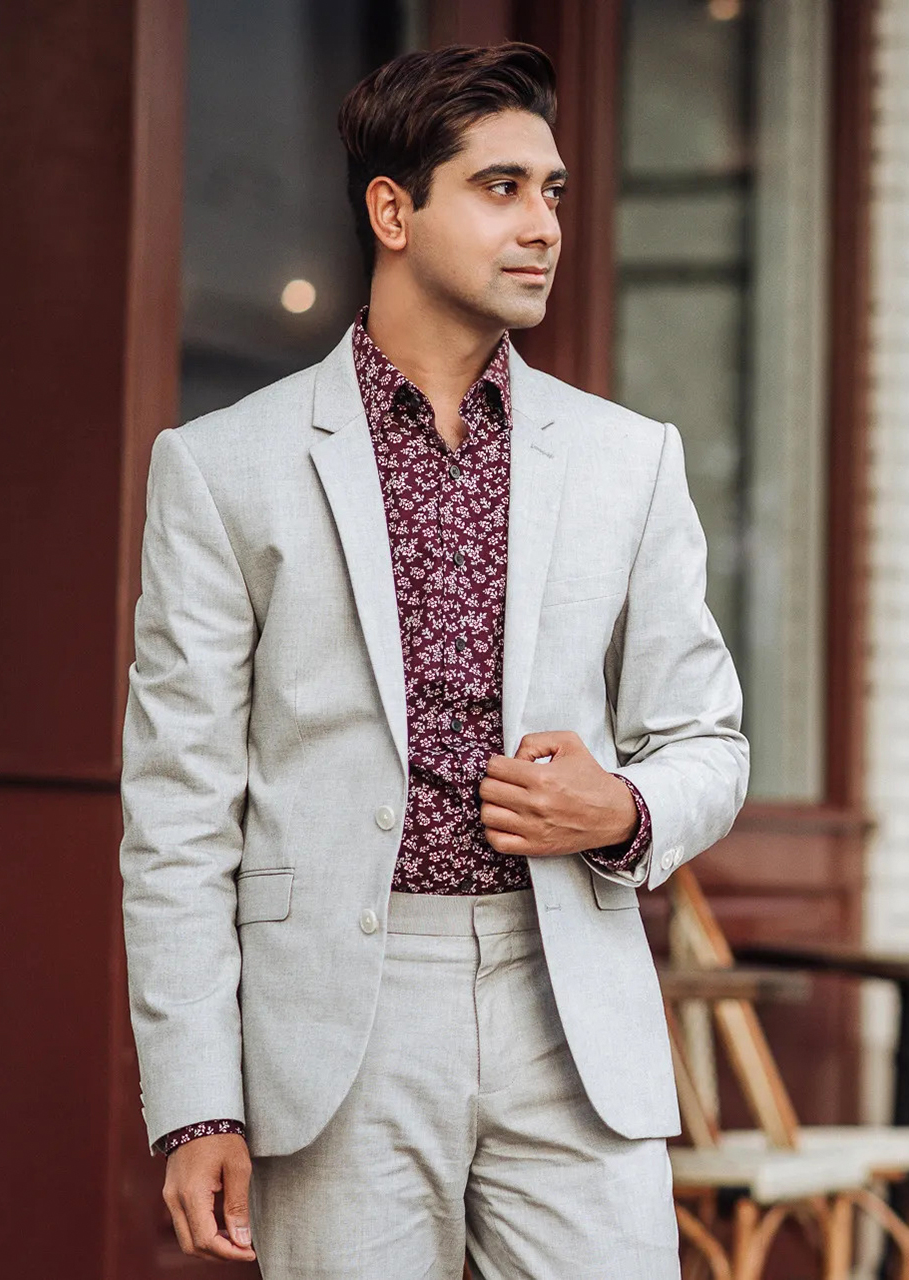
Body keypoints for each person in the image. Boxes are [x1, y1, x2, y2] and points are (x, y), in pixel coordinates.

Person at [120, 41, 749, 1280]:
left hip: (565, 996)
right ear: (392, 209)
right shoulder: (223, 466)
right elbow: (180, 807)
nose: (541, 226)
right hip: (338, 1018)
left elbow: (707, 741)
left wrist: (616, 804)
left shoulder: (631, 460)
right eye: (499, 187)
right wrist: (196, 1099)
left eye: (552, 192)